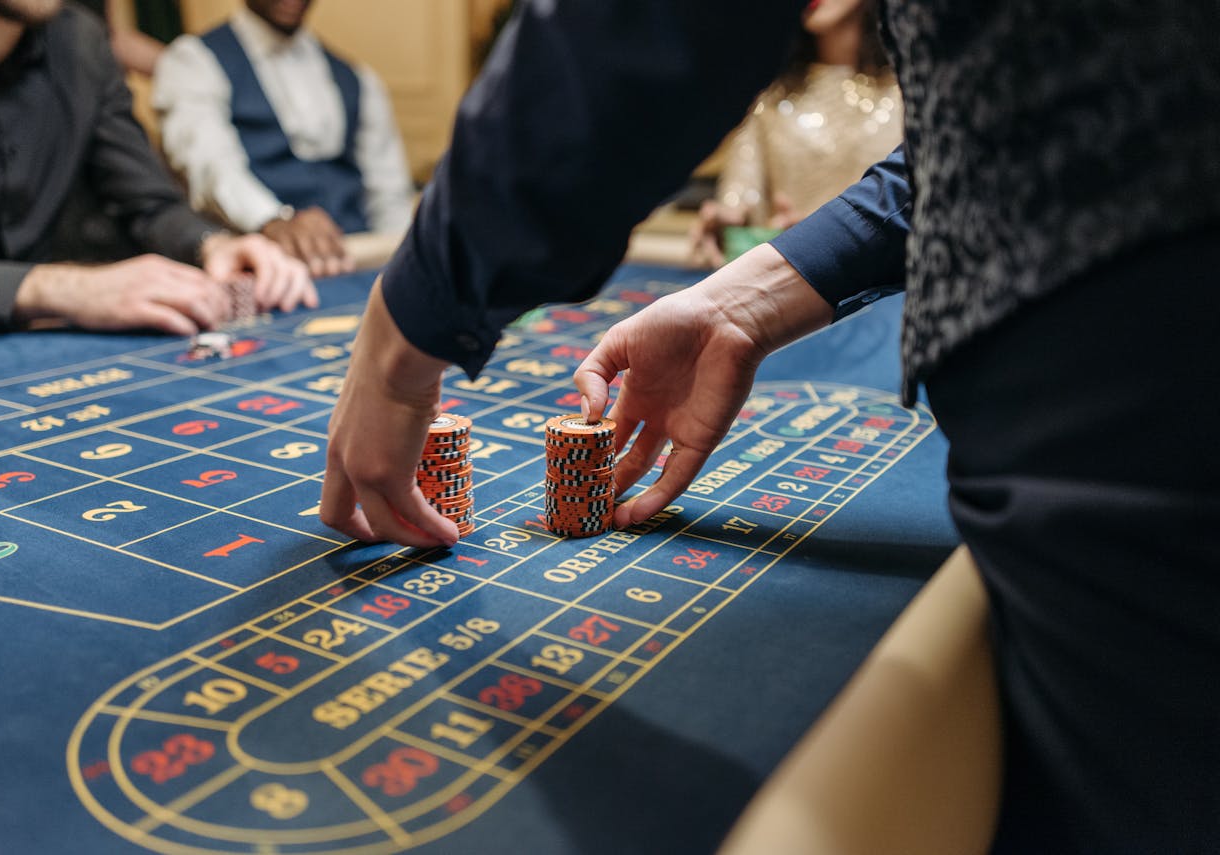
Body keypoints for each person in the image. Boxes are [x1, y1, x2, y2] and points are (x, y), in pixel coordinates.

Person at [319, 1, 1219, 852]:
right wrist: (742, 304)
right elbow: (993, 143)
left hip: (1153, 369)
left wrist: (407, 329)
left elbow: (642, 27)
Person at [0, 0, 315, 336]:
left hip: (38, 335)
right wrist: (64, 289)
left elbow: (147, 201)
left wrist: (213, 245)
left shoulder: (80, 40)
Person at [153, 0, 415, 279]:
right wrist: (273, 220)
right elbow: (211, 167)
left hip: (360, 268)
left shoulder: (359, 79)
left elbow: (389, 197)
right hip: (266, 274)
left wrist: (405, 268)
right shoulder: (193, 62)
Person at [690, 0, 900, 267]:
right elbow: (742, 194)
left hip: (880, 287)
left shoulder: (906, 98)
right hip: (786, 276)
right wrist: (726, 221)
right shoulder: (771, 98)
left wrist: (824, 232)